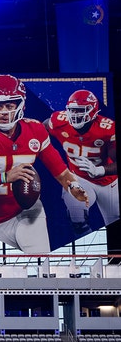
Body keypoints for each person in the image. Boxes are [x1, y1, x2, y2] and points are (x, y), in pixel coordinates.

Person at [0, 74, 88, 253]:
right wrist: (4, 177)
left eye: (9, 105)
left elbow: (61, 172)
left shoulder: (35, 129)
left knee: (40, 262)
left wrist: (73, 186)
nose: (3, 111)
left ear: (21, 105)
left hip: (28, 211)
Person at [45, 89, 118, 235]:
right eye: (72, 110)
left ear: (93, 111)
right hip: (79, 178)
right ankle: (88, 252)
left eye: (80, 110)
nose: (75, 115)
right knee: (76, 217)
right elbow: (40, 131)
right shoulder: (59, 121)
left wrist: (100, 170)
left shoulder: (107, 129)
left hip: (108, 182)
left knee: (115, 224)